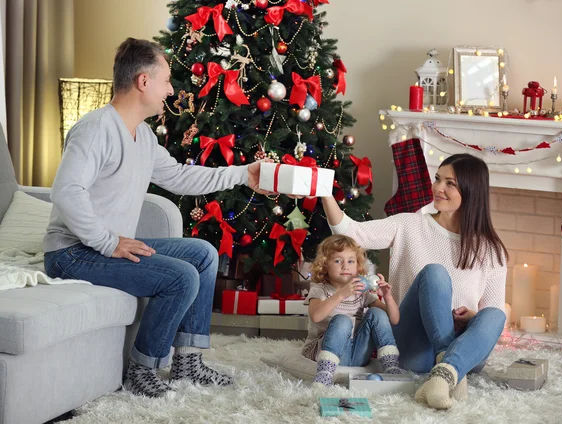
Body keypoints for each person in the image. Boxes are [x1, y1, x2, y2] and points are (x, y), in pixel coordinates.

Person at [43, 38, 269, 398]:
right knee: (180, 277)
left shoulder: (143, 136)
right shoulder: (96, 129)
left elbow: (180, 176)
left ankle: (188, 362)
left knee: (203, 254)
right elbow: (67, 191)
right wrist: (108, 241)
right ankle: (142, 369)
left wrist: (244, 174)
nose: (171, 89)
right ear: (143, 82)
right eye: (166, 81)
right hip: (72, 253)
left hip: (106, 247)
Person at [320, 153, 507, 409]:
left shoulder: (490, 249)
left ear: (471, 190)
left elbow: (491, 320)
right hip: (415, 348)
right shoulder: (408, 225)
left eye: (450, 183)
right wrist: (322, 191)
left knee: (496, 314)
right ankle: (448, 368)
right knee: (434, 273)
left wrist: (472, 316)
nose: (438, 188)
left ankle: (444, 374)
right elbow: (351, 232)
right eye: (438, 179)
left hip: (464, 350)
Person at [301, 234, 401, 387]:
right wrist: (341, 294)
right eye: (337, 261)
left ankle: (391, 365)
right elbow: (315, 316)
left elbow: (394, 319)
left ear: (358, 265)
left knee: (377, 313)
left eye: (350, 261)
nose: (345, 266)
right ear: (325, 265)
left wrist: (387, 296)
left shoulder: (362, 292)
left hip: (357, 353)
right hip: (325, 351)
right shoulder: (319, 288)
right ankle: (325, 373)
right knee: (343, 320)